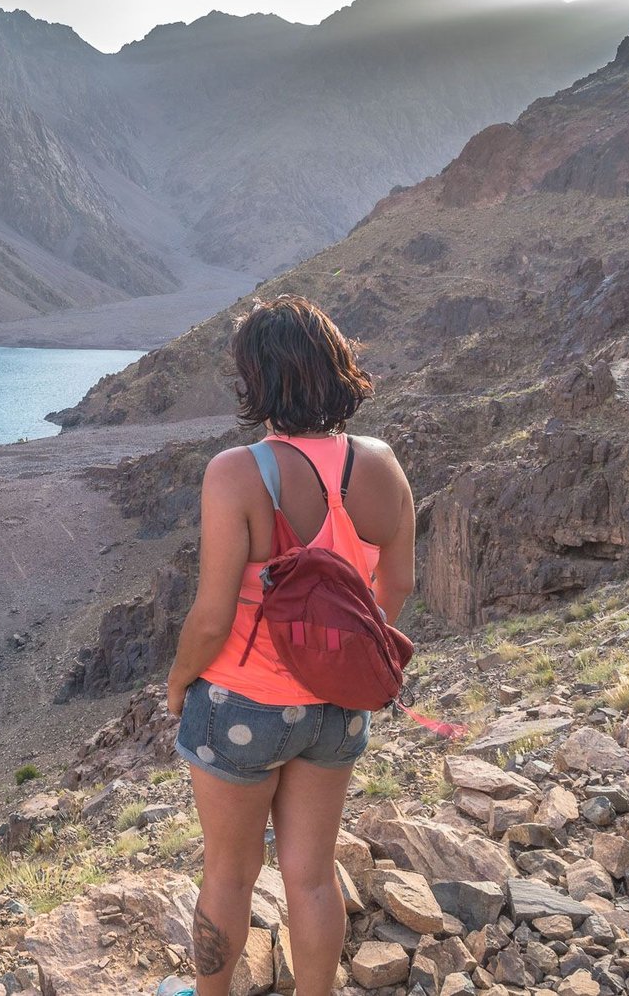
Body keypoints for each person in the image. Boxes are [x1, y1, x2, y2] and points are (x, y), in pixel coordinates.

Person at [157, 294, 416, 996]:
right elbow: (396, 584)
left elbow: (211, 618)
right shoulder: (382, 465)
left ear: (259, 380)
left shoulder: (237, 473)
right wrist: (339, 657)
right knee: (312, 876)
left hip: (242, 703)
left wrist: (179, 684)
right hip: (337, 708)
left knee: (229, 874)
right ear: (336, 366)